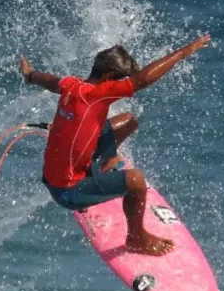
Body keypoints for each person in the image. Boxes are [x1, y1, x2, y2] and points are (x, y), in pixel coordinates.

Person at [19, 35, 211, 256]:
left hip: (57, 174)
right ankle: (136, 238)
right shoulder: (98, 94)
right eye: (119, 81)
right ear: (109, 77)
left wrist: (30, 74)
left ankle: (105, 163)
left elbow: (50, 81)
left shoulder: (71, 85)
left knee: (128, 121)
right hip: (68, 191)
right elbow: (143, 79)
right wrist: (185, 51)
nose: (121, 87)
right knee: (136, 181)